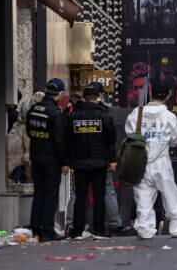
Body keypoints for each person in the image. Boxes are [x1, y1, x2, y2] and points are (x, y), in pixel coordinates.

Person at [125, 80, 177, 239]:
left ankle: (145, 229)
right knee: (170, 195)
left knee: (143, 197)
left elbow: (129, 136)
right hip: (161, 162)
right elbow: (176, 139)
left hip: (140, 162)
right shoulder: (169, 117)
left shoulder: (136, 114)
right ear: (168, 95)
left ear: (151, 94)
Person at [67, 83, 117, 239]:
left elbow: (68, 139)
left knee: (80, 197)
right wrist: (112, 160)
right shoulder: (104, 115)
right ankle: (99, 230)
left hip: (79, 162)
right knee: (99, 197)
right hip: (99, 162)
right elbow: (111, 139)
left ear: (84, 98)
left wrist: (69, 160)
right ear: (98, 97)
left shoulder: (74, 116)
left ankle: (76, 232)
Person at [26, 79, 69, 242]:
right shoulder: (55, 113)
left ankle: (35, 228)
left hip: (36, 157)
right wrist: (64, 162)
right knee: (51, 194)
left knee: (39, 193)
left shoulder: (33, 109)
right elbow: (59, 140)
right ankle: (47, 231)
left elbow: (29, 133)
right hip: (51, 159)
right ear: (59, 94)